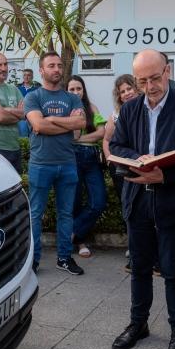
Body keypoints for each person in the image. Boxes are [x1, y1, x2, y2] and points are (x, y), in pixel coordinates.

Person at [109, 49, 175, 349]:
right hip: (138, 200)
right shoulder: (130, 109)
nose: (150, 86)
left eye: (155, 78)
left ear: (167, 71)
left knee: (173, 270)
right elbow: (116, 145)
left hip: (171, 201)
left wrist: (163, 173)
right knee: (138, 267)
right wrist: (135, 162)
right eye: (142, 81)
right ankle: (138, 324)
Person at [24, 51, 87, 275]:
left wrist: (51, 118)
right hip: (41, 164)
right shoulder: (33, 97)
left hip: (67, 163)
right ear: (41, 70)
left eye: (59, 65)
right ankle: (33, 260)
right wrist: (64, 124)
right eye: (51, 66)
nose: (56, 70)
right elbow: (39, 126)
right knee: (35, 214)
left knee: (66, 214)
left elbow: (80, 123)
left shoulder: (72, 98)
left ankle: (64, 257)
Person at [103, 74, 141, 273]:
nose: (126, 93)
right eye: (122, 91)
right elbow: (107, 140)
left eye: (129, 89)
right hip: (122, 167)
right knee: (129, 207)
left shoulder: (146, 108)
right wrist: (111, 158)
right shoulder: (116, 115)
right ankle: (134, 249)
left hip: (143, 166)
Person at [67, 75, 107, 258]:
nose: (76, 92)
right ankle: (81, 242)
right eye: (72, 89)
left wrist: (80, 138)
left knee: (98, 201)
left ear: (84, 90)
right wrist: (75, 121)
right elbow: (72, 136)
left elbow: (101, 133)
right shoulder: (64, 109)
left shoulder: (92, 108)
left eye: (79, 88)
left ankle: (71, 233)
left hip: (91, 158)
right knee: (75, 201)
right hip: (72, 158)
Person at [17, 68, 41, 137]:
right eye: (24, 75)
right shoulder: (17, 89)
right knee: (23, 134)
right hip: (21, 117)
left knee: (33, 136)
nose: (26, 77)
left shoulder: (36, 90)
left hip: (32, 117)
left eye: (29, 75)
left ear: (32, 77)